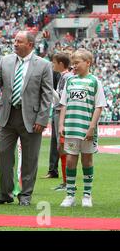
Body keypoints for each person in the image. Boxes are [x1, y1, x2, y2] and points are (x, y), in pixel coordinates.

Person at [0, 30, 53, 206]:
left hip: (31, 119)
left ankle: (25, 196)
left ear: (30, 45)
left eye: (19, 41)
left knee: (30, 159)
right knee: (4, 156)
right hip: (8, 116)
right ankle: (5, 194)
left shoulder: (44, 65)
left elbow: (47, 95)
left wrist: (42, 119)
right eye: (14, 40)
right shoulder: (6, 61)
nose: (15, 44)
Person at [59, 49, 106, 208]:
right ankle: (70, 195)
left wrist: (92, 127)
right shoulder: (70, 81)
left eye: (77, 63)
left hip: (87, 129)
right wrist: (61, 124)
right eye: (73, 63)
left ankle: (87, 195)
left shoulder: (95, 82)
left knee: (87, 160)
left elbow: (99, 106)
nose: (74, 66)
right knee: (71, 160)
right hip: (71, 127)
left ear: (88, 63)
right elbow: (63, 104)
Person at [50, 52, 73, 191]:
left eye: (54, 62)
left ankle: (68, 183)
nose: (53, 65)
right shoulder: (64, 76)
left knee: (63, 147)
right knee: (61, 147)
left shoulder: (66, 77)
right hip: (58, 112)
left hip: (61, 113)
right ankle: (66, 182)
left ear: (60, 64)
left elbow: (61, 98)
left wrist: (48, 89)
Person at [42, 69, 61, 179]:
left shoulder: (69, 75)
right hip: (56, 108)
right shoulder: (55, 73)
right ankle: (53, 170)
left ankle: (67, 172)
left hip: (63, 108)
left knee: (61, 141)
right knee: (55, 141)